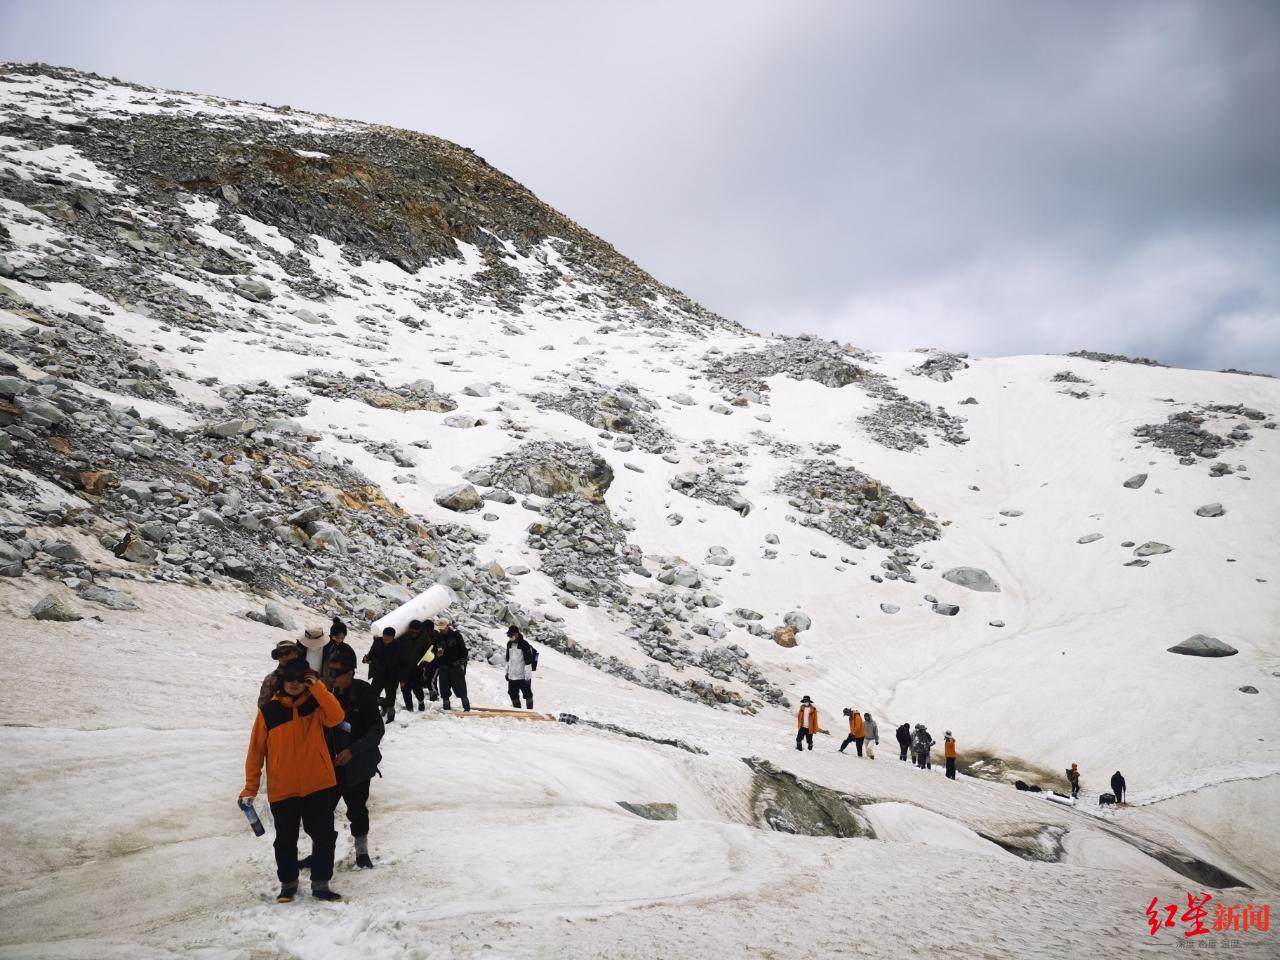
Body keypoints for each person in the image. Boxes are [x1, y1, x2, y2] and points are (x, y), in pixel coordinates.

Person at [239, 658, 345, 903]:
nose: (295, 685)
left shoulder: (316, 706)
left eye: (301, 680)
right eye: (290, 680)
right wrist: (250, 787)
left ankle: (321, 884)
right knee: (285, 841)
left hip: (318, 784)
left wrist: (318, 687)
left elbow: (337, 717)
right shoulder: (269, 712)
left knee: (324, 837)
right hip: (283, 788)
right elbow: (255, 751)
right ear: (282, 682)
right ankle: (288, 884)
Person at [324, 644, 384, 869]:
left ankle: (362, 852)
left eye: (336, 673)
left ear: (350, 673)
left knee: (357, 810)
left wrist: (352, 751)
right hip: (330, 766)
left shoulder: (364, 693)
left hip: (357, 766)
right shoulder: (327, 695)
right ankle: (321, 853)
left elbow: (377, 730)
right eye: (330, 672)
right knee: (322, 814)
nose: (332, 678)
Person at [363, 627, 402, 723]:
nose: (386, 641)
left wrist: (403, 679)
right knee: (372, 696)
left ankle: (391, 718)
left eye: (389, 639)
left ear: (393, 638)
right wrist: (366, 659)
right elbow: (371, 654)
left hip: (392, 677)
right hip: (378, 675)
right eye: (385, 638)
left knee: (391, 699)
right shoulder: (377, 642)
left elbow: (403, 663)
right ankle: (371, 716)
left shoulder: (398, 646)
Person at [432, 618, 470, 712]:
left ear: (447, 626)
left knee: (461, 688)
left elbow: (463, 649)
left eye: (443, 628)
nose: (441, 630)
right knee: (444, 690)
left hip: (456, 666)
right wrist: (437, 655)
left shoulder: (456, 635)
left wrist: (463, 663)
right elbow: (433, 651)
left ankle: (466, 708)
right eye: (440, 628)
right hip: (443, 667)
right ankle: (446, 708)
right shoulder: (437, 638)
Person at [259, 639, 303, 708]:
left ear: (296, 653)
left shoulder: (308, 675)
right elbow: (262, 706)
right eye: (280, 654)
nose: (284, 656)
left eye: (287, 652)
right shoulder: (270, 678)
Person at [398, 621, 428, 712]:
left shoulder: (424, 638)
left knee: (417, 688)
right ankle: (409, 708)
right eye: (412, 631)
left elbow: (430, 651)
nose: (414, 634)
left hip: (417, 669)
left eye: (416, 632)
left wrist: (424, 663)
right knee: (405, 689)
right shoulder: (403, 637)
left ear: (419, 630)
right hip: (404, 668)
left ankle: (421, 701)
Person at [505, 626, 536, 709]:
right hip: (512, 675)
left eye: (511, 635)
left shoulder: (524, 644)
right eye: (509, 635)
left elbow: (528, 661)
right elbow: (508, 659)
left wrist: (528, 675)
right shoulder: (509, 644)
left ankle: (530, 712)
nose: (510, 637)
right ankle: (517, 710)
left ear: (517, 634)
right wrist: (507, 672)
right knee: (512, 693)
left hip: (523, 675)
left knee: (527, 694)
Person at [417, 618, 440, 701]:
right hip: (428, 662)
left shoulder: (438, 637)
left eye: (425, 630)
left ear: (430, 629)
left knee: (432, 680)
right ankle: (433, 693)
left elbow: (439, 650)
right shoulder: (425, 637)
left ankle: (434, 695)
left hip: (437, 662)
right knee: (427, 677)